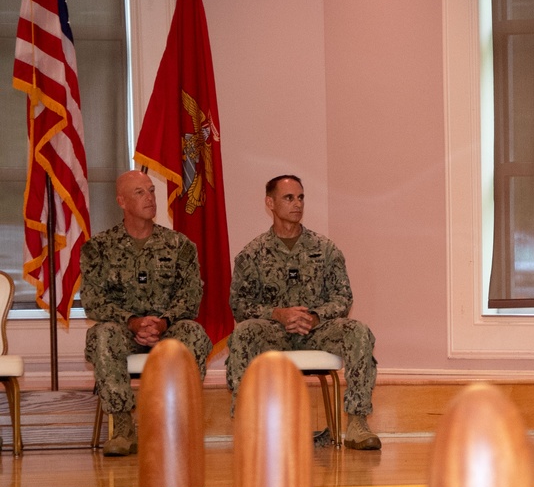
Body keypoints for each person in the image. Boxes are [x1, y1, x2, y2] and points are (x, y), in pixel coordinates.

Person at [226, 175, 380, 450]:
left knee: (358, 331)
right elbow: (239, 304)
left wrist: (315, 317)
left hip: (317, 330)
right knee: (243, 335)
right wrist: (278, 314)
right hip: (274, 331)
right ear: (270, 203)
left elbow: (343, 298)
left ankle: (357, 422)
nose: (297, 204)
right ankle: (247, 424)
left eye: (301, 197)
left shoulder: (325, 249)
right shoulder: (252, 254)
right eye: (289, 198)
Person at [81, 170, 211, 457]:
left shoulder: (179, 246)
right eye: (140, 192)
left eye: (151, 190)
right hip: (124, 330)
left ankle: (173, 425)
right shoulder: (99, 248)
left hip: (167, 329)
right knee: (102, 334)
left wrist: (162, 323)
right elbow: (93, 301)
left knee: (194, 334)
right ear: (122, 202)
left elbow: (191, 297)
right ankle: (122, 428)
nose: (150, 197)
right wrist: (133, 322)